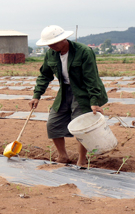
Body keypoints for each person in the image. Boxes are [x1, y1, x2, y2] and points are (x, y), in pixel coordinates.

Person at [28, 25, 108, 166]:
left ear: (64, 39)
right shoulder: (51, 54)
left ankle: (82, 159)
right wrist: (36, 95)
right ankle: (62, 156)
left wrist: (94, 101)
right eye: (49, 44)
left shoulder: (83, 52)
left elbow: (92, 78)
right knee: (53, 124)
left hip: (83, 92)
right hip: (65, 91)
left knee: (81, 126)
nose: (51, 46)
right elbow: (44, 75)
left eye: (53, 43)